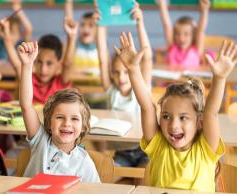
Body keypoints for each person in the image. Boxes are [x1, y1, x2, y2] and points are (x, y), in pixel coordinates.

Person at [116, 32, 236, 191]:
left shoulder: (205, 149)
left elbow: (211, 113)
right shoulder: (158, 145)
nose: (173, 125)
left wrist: (219, 78)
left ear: (200, 122)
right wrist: (133, 69)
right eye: (166, 116)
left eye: (183, 118)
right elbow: (147, 106)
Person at [18, 41, 100, 182]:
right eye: (60, 117)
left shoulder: (85, 163)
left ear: (84, 126)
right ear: (49, 122)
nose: (66, 123)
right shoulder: (40, 141)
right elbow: (26, 106)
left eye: (74, 119)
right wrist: (27, 65)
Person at [96, 2, 152, 177]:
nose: (121, 77)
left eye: (126, 73)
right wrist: (101, 24)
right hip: (121, 153)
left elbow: (147, 58)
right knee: (107, 180)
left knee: (145, 183)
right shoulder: (111, 90)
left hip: (144, 151)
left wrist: (139, 23)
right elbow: (103, 59)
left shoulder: (141, 87)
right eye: (116, 73)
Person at [0, 16, 78, 104]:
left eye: (49, 63)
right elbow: (17, 64)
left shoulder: (61, 82)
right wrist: (6, 38)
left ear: (59, 64)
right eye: (39, 62)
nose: (43, 69)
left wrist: (71, 36)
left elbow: (67, 64)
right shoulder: (29, 79)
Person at [157, 0, 210, 70]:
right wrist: (162, 5)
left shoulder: (196, 49)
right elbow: (167, 26)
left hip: (191, 81)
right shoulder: (172, 47)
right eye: (177, 34)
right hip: (171, 81)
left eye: (186, 34)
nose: (181, 38)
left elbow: (201, 30)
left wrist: (204, 10)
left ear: (193, 36)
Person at [65, 0, 99, 73]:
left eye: (90, 25)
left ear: (98, 29)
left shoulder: (100, 46)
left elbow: (99, 12)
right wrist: (69, 2)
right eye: (82, 25)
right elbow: (69, 21)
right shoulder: (74, 45)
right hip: (76, 83)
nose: (85, 29)